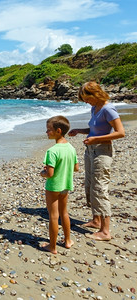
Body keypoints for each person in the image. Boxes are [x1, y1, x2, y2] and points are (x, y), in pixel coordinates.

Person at [68, 81, 125, 241]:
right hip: (91, 150)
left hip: (102, 152)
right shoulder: (95, 107)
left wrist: (96, 139)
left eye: (87, 98)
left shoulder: (108, 109)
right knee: (90, 185)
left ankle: (105, 231)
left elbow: (120, 133)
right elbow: (95, 129)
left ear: (96, 94)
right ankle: (96, 220)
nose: (86, 102)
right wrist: (81, 131)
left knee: (100, 188)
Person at [40, 116, 79, 254]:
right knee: (64, 213)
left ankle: (53, 247)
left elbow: (49, 173)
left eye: (49, 130)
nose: (46, 132)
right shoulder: (71, 148)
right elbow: (76, 168)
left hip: (53, 186)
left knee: (53, 216)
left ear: (58, 131)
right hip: (66, 185)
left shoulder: (52, 151)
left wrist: (42, 173)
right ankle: (68, 241)